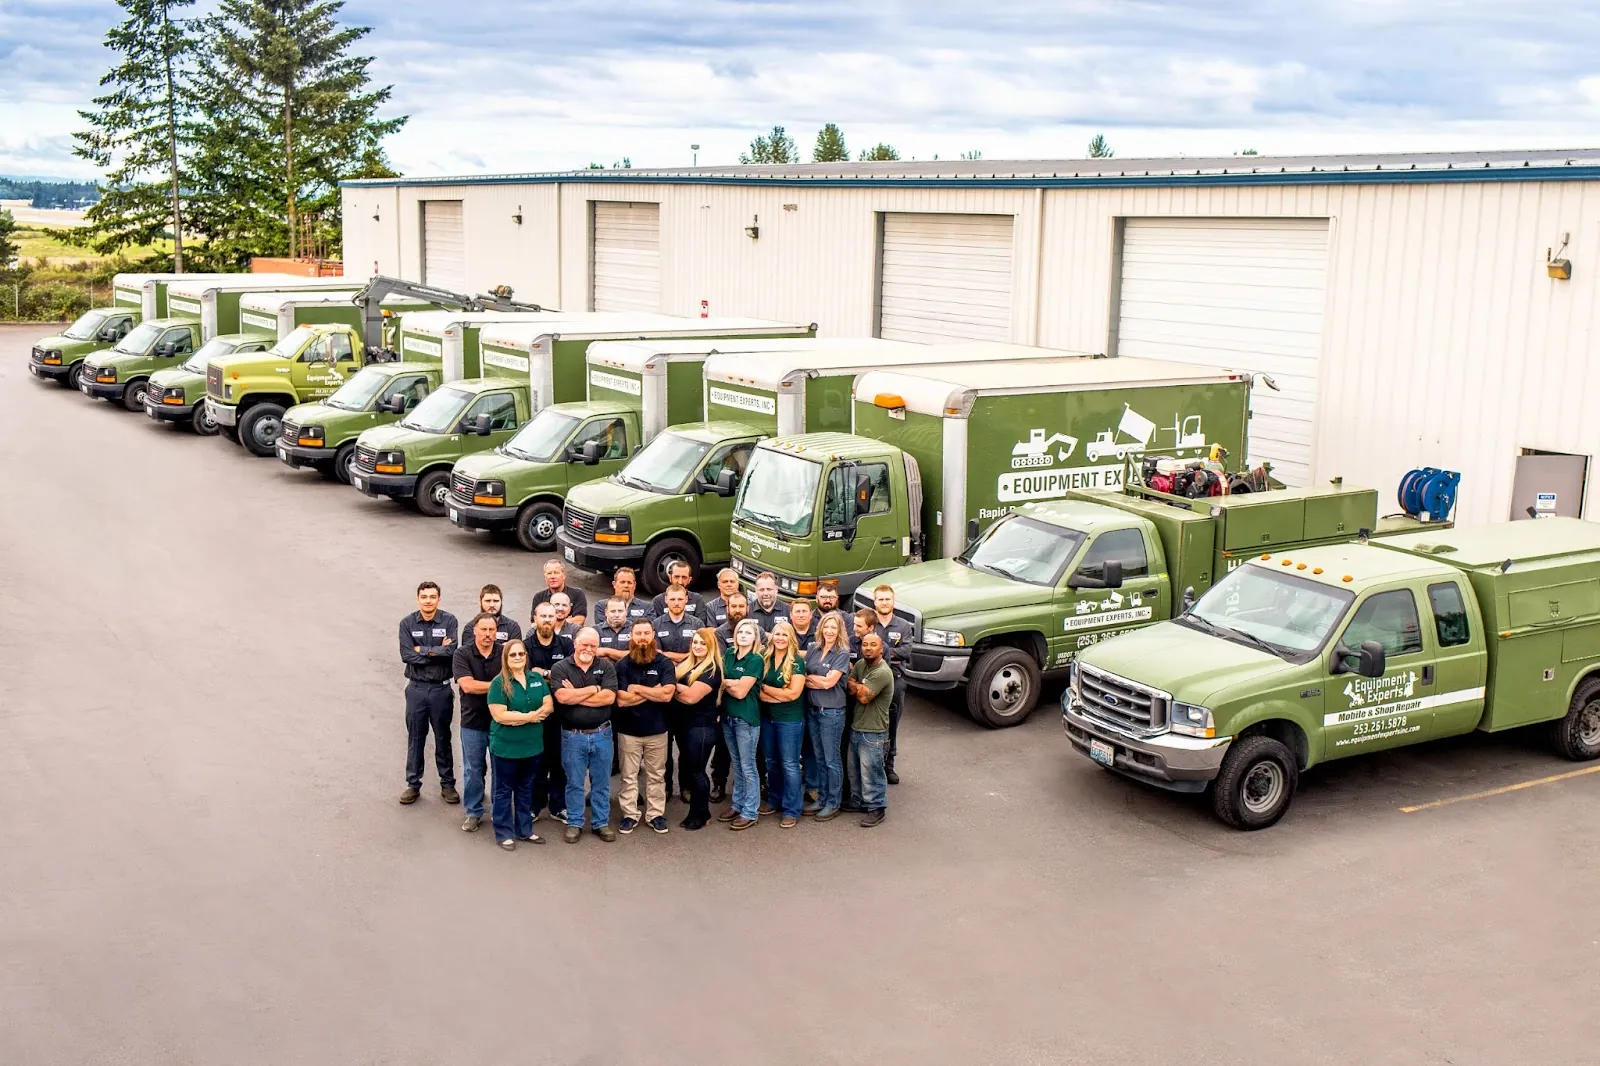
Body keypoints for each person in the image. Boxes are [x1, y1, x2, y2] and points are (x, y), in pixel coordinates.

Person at [551, 628, 619, 843]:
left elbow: (609, 698)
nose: (588, 649)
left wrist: (577, 694)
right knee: (574, 782)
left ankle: (601, 823)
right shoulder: (560, 667)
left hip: (602, 734)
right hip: (573, 736)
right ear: (575, 644)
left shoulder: (606, 666)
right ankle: (574, 822)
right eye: (584, 644)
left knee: (601, 782)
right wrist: (593, 689)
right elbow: (562, 697)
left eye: (593, 645)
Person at [486, 639, 554, 850]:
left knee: (526, 789)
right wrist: (530, 717)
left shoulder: (535, 678)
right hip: (506, 747)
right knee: (504, 791)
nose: (517, 658)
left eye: (521, 654)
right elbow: (500, 715)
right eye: (513, 655)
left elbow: (549, 705)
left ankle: (524, 830)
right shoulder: (499, 683)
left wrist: (527, 716)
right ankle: (504, 832)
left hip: (532, 747)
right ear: (506, 658)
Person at [398, 581, 459, 806]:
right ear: (418, 599)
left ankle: (448, 784)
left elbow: (451, 651)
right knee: (416, 738)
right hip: (416, 689)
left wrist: (421, 650)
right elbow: (406, 655)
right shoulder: (407, 623)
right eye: (424, 597)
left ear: (439, 599)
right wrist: (436, 651)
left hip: (441, 689)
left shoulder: (449, 621)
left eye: (432, 597)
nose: (428, 601)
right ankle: (413, 784)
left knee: (443, 737)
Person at [614, 618, 676, 835]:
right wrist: (653, 692)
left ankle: (655, 814)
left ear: (653, 636)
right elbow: (621, 699)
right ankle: (630, 815)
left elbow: (667, 695)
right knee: (628, 775)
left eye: (646, 634)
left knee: (656, 775)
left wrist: (637, 690)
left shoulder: (664, 663)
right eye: (638, 634)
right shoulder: (622, 665)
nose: (642, 638)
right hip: (628, 731)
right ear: (632, 636)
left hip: (657, 731)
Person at [451, 613, 503, 833]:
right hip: (472, 722)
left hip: (501, 722)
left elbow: (512, 681)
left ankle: (500, 813)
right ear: (475, 630)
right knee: (473, 769)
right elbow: (468, 686)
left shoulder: (504, 653)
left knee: (500, 769)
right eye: (484, 630)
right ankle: (473, 812)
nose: (488, 635)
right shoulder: (462, 654)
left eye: (492, 630)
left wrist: (489, 684)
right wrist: (497, 684)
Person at [526, 603, 575, 823]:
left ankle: (558, 806)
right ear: (534, 618)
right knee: (535, 762)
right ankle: (534, 806)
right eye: (542, 616)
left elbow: (570, 677)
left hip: (561, 715)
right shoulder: (525, 646)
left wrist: (544, 673)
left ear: (557, 618)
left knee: (559, 762)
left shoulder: (566, 645)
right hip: (534, 715)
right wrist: (554, 677)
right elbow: (526, 678)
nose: (547, 620)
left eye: (550, 616)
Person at [757, 621, 808, 828]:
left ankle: (792, 809)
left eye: (784, 635)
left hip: (790, 720)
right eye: (777, 634)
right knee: (771, 761)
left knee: (790, 763)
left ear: (790, 638)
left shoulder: (796, 662)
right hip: (767, 718)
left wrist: (768, 690)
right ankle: (774, 800)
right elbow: (757, 691)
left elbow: (794, 694)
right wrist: (780, 695)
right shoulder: (765, 658)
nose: (779, 638)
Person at [802, 611, 850, 821]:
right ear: (820, 628)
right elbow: (803, 677)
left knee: (832, 760)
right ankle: (822, 797)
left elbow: (830, 683)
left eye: (834, 628)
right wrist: (817, 679)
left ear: (839, 631)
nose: (829, 631)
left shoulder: (842, 653)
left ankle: (833, 802)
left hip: (831, 712)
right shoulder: (813, 649)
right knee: (820, 758)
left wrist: (813, 679)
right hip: (813, 710)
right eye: (826, 627)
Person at [654, 585, 700, 801]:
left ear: (686, 599)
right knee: (664, 747)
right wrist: (683, 657)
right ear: (666, 600)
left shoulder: (696, 624)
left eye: (680, 599)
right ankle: (666, 786)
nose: (676, 603)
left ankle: (686, 786)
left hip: (688, 690)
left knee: (686, 745)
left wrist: (672, 658)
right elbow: (657, 655)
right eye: (672, 599)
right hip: (664, 695)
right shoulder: (656, 624)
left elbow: (698, 654)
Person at [673, 629, 722, 830]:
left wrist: (674, 688)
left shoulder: (712, 669)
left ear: (711, 646)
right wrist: (681, 690)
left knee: (698, 772)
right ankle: (699, 811)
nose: (698, 646)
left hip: (702, 727)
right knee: (689, 768)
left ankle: (700, 814)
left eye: (703, 643)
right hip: (685, 725)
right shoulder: (689, 663)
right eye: (695, 642)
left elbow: (691, 698)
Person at [719, 619, 765, 830]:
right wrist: (732, 683)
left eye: (748, 633)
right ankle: (737, 804)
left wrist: (729, 683)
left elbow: (740, 692)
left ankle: (750, 811)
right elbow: (722, 680)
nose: (743, 635)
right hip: (728, 717)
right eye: (740, 632)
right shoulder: (729, 654)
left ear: (755, 637)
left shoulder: (756, 660)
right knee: (736, 764)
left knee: (748, 766)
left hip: (746, 719)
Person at [846, 632, 894, 828]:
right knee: (854, 770)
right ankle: (858, 802)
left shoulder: (882, 672)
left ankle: (877, 807)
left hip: (874, 731)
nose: (867, 648)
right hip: (857, 726)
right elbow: (850, 687)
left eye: (873, 645)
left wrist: (856, 686)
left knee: (872, 772)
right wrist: (858, 686)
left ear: (881, 649)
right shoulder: (860, 665)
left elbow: (864, 698)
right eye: (865, 644)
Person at [871, 584, 914, 785]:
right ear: (874, 602)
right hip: (870, 675)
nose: (884, 602)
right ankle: (873, 763)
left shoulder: (903, 626)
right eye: (880, 599)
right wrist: (888, 653)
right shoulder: (870, 622)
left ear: (893, 601)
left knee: (891, 721)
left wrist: (879, 651)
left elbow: (906, 651)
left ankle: (889, 764)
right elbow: (862, 647)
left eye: (887, 599)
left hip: (895, 677)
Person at [530, 559, 588, 626]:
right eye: (549, 573)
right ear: (545, 578)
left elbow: (579, 620)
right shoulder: (539, 597)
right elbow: (535, 624)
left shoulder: (577, 594)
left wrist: (547, 622)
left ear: (564, 576)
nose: (552, 577)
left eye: (556, 573)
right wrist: (566, 621)